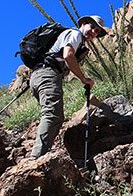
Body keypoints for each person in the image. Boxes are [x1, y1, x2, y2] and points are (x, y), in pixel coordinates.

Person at [29, 15, 107, 159]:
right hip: (48, 74)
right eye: (92, 27)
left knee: (53, 116)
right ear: (83, 24)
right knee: (53, 116)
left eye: (97, 31)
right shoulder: (75, 34)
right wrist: (84, 79)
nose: (93, 33)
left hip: (39, 75)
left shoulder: (76, 39)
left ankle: (39, 154)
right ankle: (36, 158)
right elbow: (68, 55)